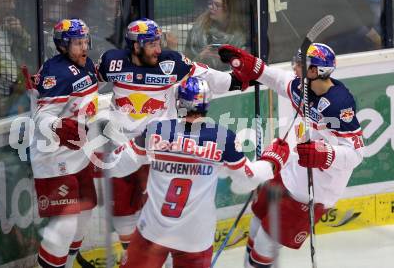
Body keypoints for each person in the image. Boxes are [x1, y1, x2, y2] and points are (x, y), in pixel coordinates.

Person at [96, 17, 249, 253]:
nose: (159, 49)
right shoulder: (112, 62)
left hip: (159, 151)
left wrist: (238, 79)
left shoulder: (171, 63)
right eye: (152, 44)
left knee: (161, 221)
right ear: (135, 46)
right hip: (122, 149)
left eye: (159, 42)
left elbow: (208, 78)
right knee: (122, 217)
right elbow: (85, 80)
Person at [103, 77, 290, 268]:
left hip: (154, 230)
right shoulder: (222, 137)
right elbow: (247, 180)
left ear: (178, 101)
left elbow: (117, 165)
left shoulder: (156, 130)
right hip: (195, 237)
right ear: (206, 103)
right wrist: (272, 162)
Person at [217, 43, 365, 268]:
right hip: (290, 170)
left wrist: (323, 154)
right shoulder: (303, 86)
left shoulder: (339, 104)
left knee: (265, 246)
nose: (294, 67)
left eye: (300, 64)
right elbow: (276, 79)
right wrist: (245, 61)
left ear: (315, 71)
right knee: (256, 224)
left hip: (316, 188)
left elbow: (356, 153)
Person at [30, 19, 99, 268]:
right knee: (65, 223)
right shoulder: (55, 73)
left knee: (85, 213)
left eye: (85, 41)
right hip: (54, 157)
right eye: (77, 43)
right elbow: (41, 117)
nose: (84, 47)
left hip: (78, 154)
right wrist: (59, 128)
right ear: (62, 45)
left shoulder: (87, 64)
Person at [181, 0, 249, 70]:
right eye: (211, 3)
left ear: (228, 10)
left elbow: (242, 66)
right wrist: (201, 57)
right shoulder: (199, 27)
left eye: (217, 5)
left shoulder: (240, 37)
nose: (211, 7)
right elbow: (186, 61)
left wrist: (224, 60)